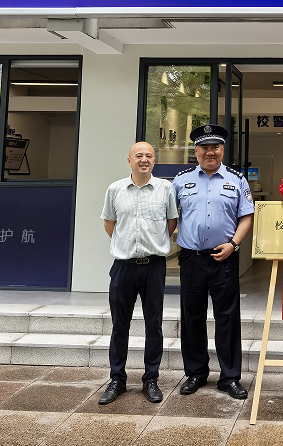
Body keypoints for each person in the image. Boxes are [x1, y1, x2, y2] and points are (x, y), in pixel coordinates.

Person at [172, 124, 254, 400]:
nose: (210, 152)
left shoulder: (237, 179)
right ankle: (196, 373)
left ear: (222, 150)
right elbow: (170, 215)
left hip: (224, 258)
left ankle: (230, 377)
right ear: (196, 151)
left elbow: (247, 216)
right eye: (204, 148)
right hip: (192, 259)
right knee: (192, 317)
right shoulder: (181, 180)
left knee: (227, 318)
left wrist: (234, 244)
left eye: (215, 147)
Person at [98, 142, 178, 405]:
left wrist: (153, 245)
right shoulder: (115, 189)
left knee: (154, 324)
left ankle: (151, 379)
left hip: (154, 266)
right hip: (124, 266)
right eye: (139, 155)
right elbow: (110, 224)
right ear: (129, 160)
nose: (144, 159)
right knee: (120, 324)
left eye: (149, 156)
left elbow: (171, 223)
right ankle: (117, 379)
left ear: (154, 161)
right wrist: (127, 246)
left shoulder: (165, 189)